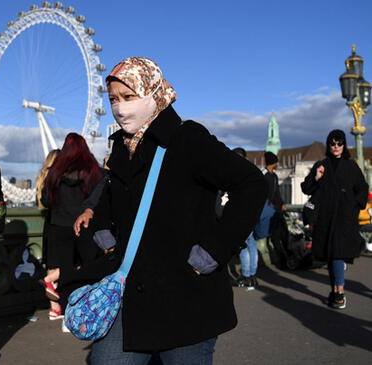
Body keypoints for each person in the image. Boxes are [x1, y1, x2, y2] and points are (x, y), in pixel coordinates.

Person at [73, 57, 266, 364]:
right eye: (112, 99)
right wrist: (104, 235)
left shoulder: (186, 139)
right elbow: (111, 198)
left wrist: (214, 250)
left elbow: (252, 184)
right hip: (129, 296)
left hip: (186, 298)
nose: (120, 108)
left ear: (152, 93)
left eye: (128, 97)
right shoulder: (122, 146)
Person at [39, 133, 104, 331]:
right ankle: (88, 311)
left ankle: (67, 316)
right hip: (83, 226)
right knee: (88, 268)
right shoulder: (93, 172)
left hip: (59, 226)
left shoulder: (56, 174)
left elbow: (47, 201)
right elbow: (100, 198)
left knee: (65, 269)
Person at [300, 129, 368, 309]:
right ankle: (334, 291)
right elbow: (306, 188)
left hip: (344, 218)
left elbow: (362, 188)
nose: (336, 147)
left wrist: (354, 205)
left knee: (337, 254)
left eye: (339, 143)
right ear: (328, 145)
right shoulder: (321, 164)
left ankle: (339, 293)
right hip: (325, 217)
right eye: (332, 143)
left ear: (344, 145)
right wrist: (317, 178)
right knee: (330, 256)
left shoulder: (351, 166)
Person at [35, 149, 62, 319]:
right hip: (61, 223)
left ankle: (55, 309)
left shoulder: (42, 178)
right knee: (66, 264)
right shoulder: (57, 178)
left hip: (48, 225)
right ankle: (47, 279)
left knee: (53, 263)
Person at [231, 148, 259, 291]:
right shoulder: (251, 173)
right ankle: (252, 275)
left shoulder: (235, 174)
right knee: (252, 245)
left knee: (242, 247)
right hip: (251, 213)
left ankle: (246, 275)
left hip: (239, 214)